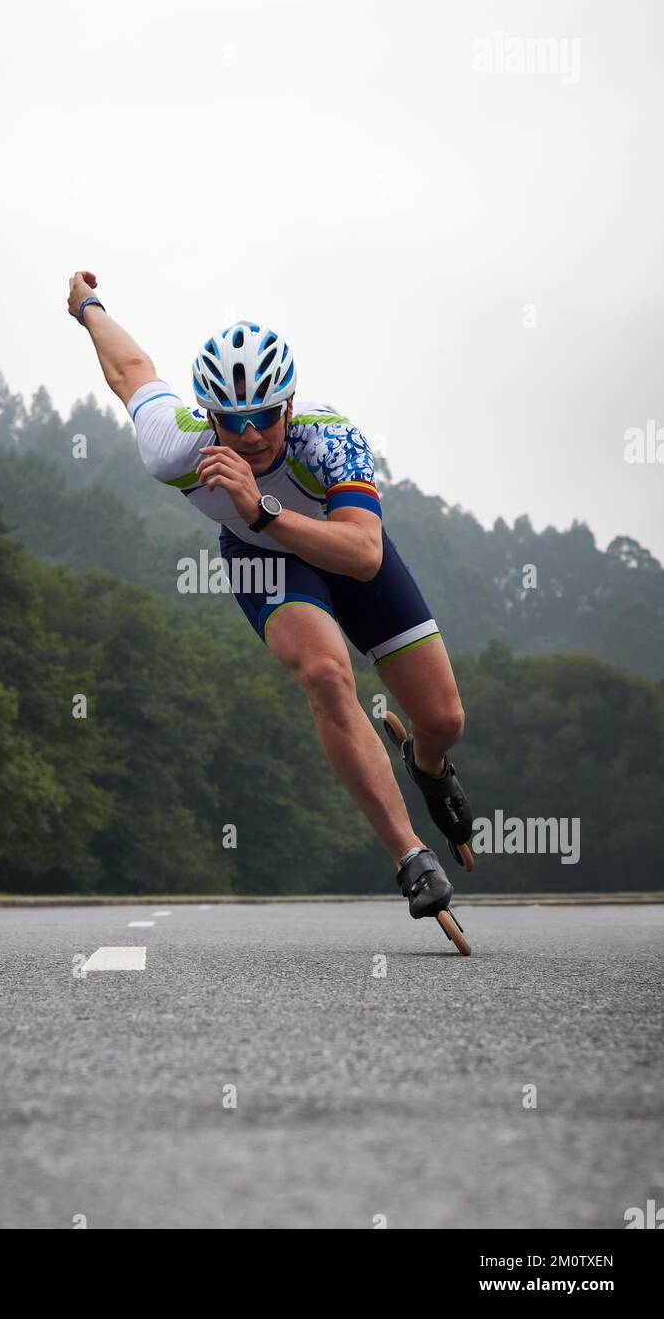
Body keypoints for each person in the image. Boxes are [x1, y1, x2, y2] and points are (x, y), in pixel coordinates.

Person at [68, 269, 475, 925]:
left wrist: (262, 512)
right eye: (234, 421)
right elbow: (132, 370)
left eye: (265, 417)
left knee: (446, 720)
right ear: (208, 415)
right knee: (324, 672)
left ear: (289, 405)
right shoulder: (176, 447)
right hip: (266, 564)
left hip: (341, 548)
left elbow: (365, 554)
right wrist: (89, 306)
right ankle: (409, 854)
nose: (253, 434)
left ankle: (427, 764)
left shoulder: (330, 439)